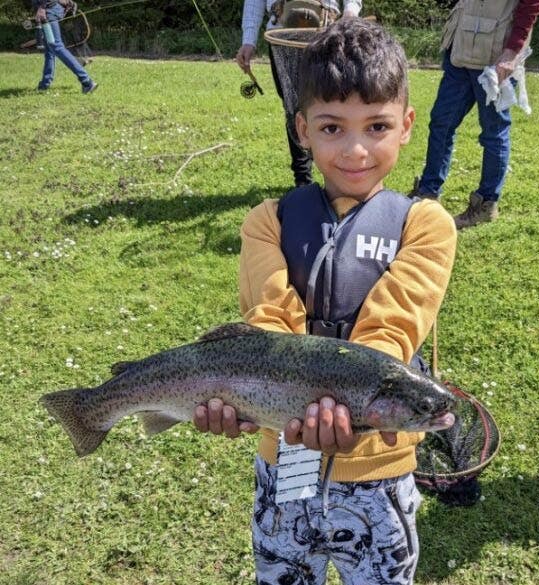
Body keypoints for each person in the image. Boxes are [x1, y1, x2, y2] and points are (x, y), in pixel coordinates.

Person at [195, 18, 457, 584]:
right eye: (333, 127)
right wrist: (237, 399)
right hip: (283, 464)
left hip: (380, 476)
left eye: (378, 126)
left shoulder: (426, 225)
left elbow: (392, 328)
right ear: (302, 129)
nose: (356, 149)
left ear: (407, 126)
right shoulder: (268, 222)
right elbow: (268, 326)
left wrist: (353, 396)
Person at [412, 0, 539, 229]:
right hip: (461, 50)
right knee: (441, 124)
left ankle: (486, 204)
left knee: (493, 133)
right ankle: (428, 193)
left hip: (496, 58)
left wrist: (513, 50)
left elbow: (532, 3)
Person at [236, 0, 362, 187]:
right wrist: (248, 40)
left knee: (333, 107)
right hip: (282, 35)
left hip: (327, 33)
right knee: (294, 109)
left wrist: (350, 11)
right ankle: (303, 182)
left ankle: (340, 176)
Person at [33, 0, 97, 93]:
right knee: (49, 50)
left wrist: (42, 7)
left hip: (48, 11)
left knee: (56, 46)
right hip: (51, 9)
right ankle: (44, 85)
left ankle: (87, 81)